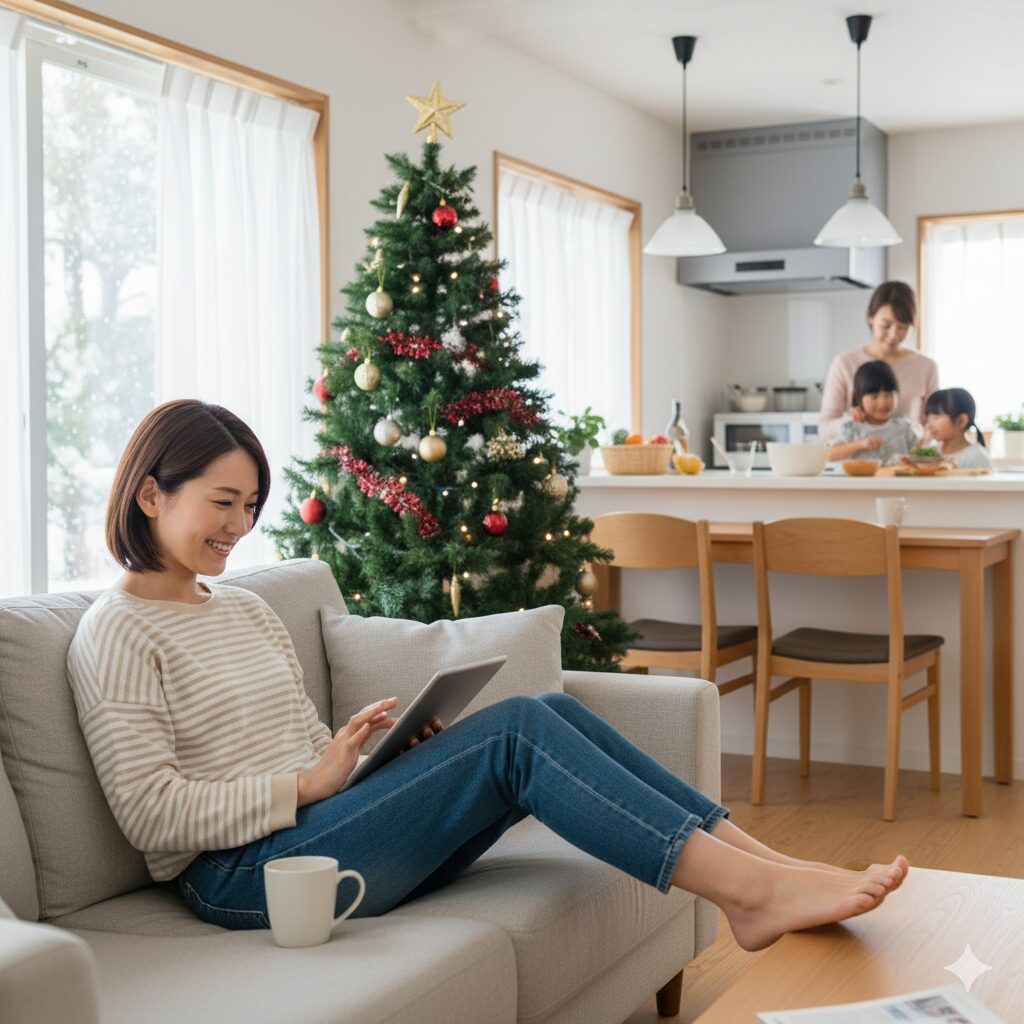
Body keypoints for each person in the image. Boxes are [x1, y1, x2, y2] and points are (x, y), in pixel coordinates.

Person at [67, 399, 908, 954]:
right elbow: (152, 817)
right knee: (520, 732)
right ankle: (752, 896)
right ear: (149, 494)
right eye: (223, 502)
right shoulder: (117, 632)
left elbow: (299, 755)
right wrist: (306, 783)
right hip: (240, 876)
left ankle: (773, 867)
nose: (241, 526)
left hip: (308, 831)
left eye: (251, 505)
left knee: (547, 707)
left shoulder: (244, 610)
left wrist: (368, 760)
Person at [819, 281, 938, 443]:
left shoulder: (926, 367)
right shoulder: (845, 363)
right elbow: (825, 429)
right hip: (857, 464)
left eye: (903, 327)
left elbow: (933, 426)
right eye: (886, 325)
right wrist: (849, 420)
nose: (893, 335)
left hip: (907, 464)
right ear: (871, 318)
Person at [826, 361, 919, 463]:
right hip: (862, 479)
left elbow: (920, 454)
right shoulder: (852, 428)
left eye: (889, 395)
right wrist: (861, 444)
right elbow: (830, 454)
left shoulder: (904, 427)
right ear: (859, 398)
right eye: (874, 397)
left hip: (898, 478)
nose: (883, 403)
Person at [924, 388, 994, 471]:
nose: (929, 425)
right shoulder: (931, 451)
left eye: (936, 418)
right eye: (928, 419)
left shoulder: (977, 459)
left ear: (961, 421)